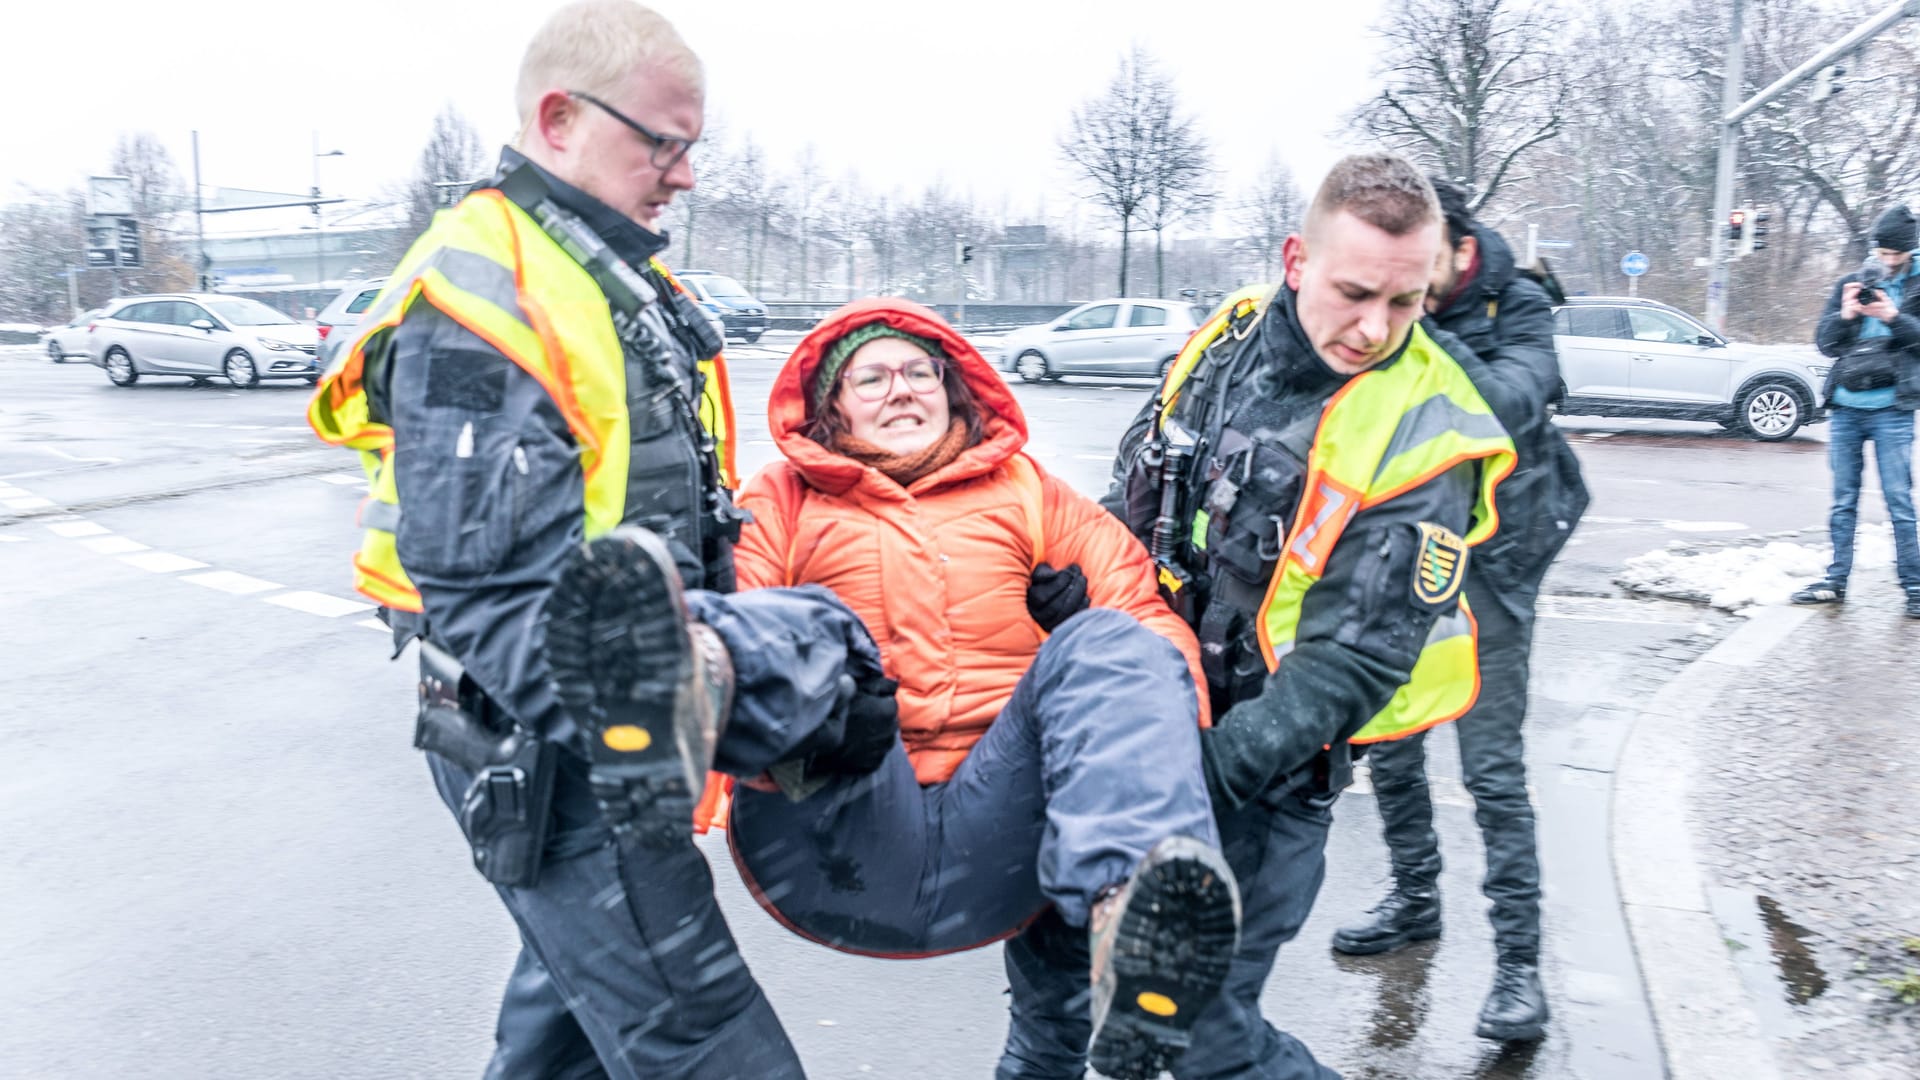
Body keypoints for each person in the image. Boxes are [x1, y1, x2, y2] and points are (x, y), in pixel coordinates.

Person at [308, 4, 895, 1076]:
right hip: (567, 750)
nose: (685, 175)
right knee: (707, 1043)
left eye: (692, 147)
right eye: (663, 143)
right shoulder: (483, 294)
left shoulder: (596, 269)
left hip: (595, 731)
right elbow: (488, 599)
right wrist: (692, 707)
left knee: (565, 1032)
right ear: (560, 117)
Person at [711, 297, 1242, 1080]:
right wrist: (820, 709)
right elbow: (745, 615)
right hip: (835, 820)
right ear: (831, 406)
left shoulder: (1031, 493)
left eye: (920, 372)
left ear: (953, 388)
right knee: (813, 623)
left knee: (1111, 637)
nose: (902, 390)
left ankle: (1134, 927)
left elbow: (1146, 624)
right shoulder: (782, 499)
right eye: (872, 378)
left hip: (1011, 826)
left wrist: (1096, 663)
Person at [1071, 152, 1515, 1080]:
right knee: (1123, 1019)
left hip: (1261, 779)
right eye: (1355, 293)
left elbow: (1350, 667)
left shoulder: (1428, 428)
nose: (1375, 328)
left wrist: (1195, 778)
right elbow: (1141, 495)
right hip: (1154, 727)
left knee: (1208, 1039)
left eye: (1405, 303)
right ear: (1293, 261)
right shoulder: (1227, 336)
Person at [1326, 177, 1588, 1043]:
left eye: (1415, 273)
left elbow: (1509, 404)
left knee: (1491, 768)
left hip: (1499, 558)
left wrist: (1421, 330)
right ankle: (1414, 898)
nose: (1397, 294)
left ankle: (1519, 968)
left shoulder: (1517, 303)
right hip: (1409, 555)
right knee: (1391, 742)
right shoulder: (1394, 306)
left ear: (1456, 244)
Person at [1795, 204, 1920, 617]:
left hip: (1893, 410)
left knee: (1898, 500)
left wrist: (1893, 316)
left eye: (1895, 254)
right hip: (1847, 409)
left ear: (1909, 250)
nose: (1887, 260)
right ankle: (1835, 580)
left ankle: (1915, 587)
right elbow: (1825, 342)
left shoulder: (1918, 286)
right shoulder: (1852, 282)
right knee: (1842, 500)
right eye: (1882, 252)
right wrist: (1847, 314)